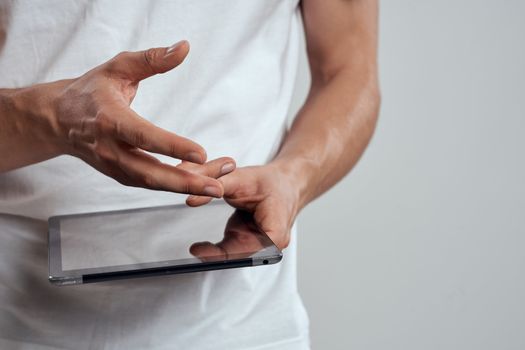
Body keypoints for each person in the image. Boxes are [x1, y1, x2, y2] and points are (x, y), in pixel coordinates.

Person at [0, 0, 379, 349]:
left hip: (241, 324)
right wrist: (51, 118)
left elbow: (347, 71)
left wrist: (293, 177)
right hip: (15, 314)